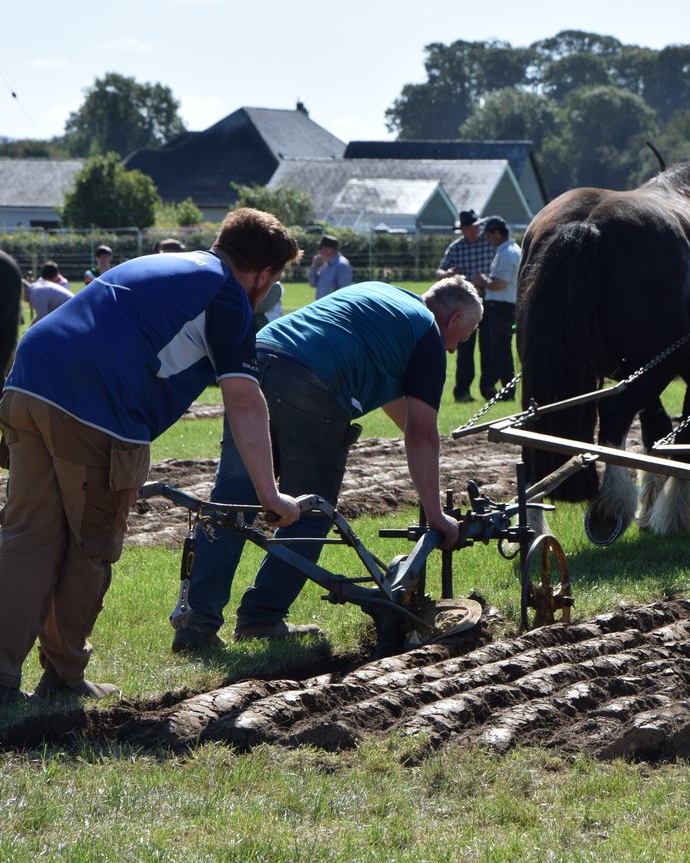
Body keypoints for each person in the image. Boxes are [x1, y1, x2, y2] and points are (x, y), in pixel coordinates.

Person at [0, 208, 303, 710]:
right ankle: (63, 676)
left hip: (27, 383)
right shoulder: (226, 294)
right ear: (265, 274)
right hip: (95, 407)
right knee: (89, 546)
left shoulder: (160, 264)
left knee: (27, 539)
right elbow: (245, 400)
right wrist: (269, 494)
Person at [171, 277, 482, 652]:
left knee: (230, 502)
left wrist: (426, 442)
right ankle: (262, 618)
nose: (454, 349)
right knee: (311, 509)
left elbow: (400, 410)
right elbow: (420, 434)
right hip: (310, 380)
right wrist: (436, 514)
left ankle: (197, 626)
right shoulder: (428, 335)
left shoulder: (383, 296)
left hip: (257, 359)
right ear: (454, 318)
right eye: (462, 338)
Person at [436, 210, 495, 402]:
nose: (473, 231)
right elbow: (440, 271)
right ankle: (462, 391)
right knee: (464, 349)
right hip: (463, 305)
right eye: (469, 229)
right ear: (462, 230)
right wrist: (447, 273)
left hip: (488, 300)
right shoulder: (455, 248)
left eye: (476, 227)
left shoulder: (489, 244)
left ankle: (489, 388)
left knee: (489, 347)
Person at [473, 216, 519, 399]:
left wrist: (482, 281)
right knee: (501, 349)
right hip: (507, 306)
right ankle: (503, 388)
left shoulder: (506, 253)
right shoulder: (512, 250)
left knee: (499, 350)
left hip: (500, 307)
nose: (488, 239)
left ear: (498, 232)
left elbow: (500, 284)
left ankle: (507, 391)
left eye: (489, 235)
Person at [307, 234, 352, 299]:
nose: (319, 251)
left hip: (333, 308)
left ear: (328, 250)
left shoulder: (342, 265)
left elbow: (343, 292)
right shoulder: (325, 264)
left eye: (320, 248)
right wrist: (314, 267)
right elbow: (312, 284)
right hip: (321, 306)